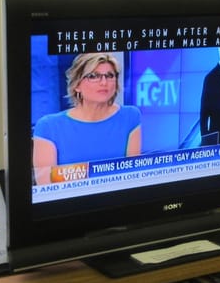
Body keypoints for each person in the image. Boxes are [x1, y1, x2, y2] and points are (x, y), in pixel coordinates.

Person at [33, 52, 141, 184]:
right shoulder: (48, 127)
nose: (104, 82)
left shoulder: (131, 117)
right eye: (93, 76)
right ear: (77, 85)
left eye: (109, 75)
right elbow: (47, 188)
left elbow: (132, 178)